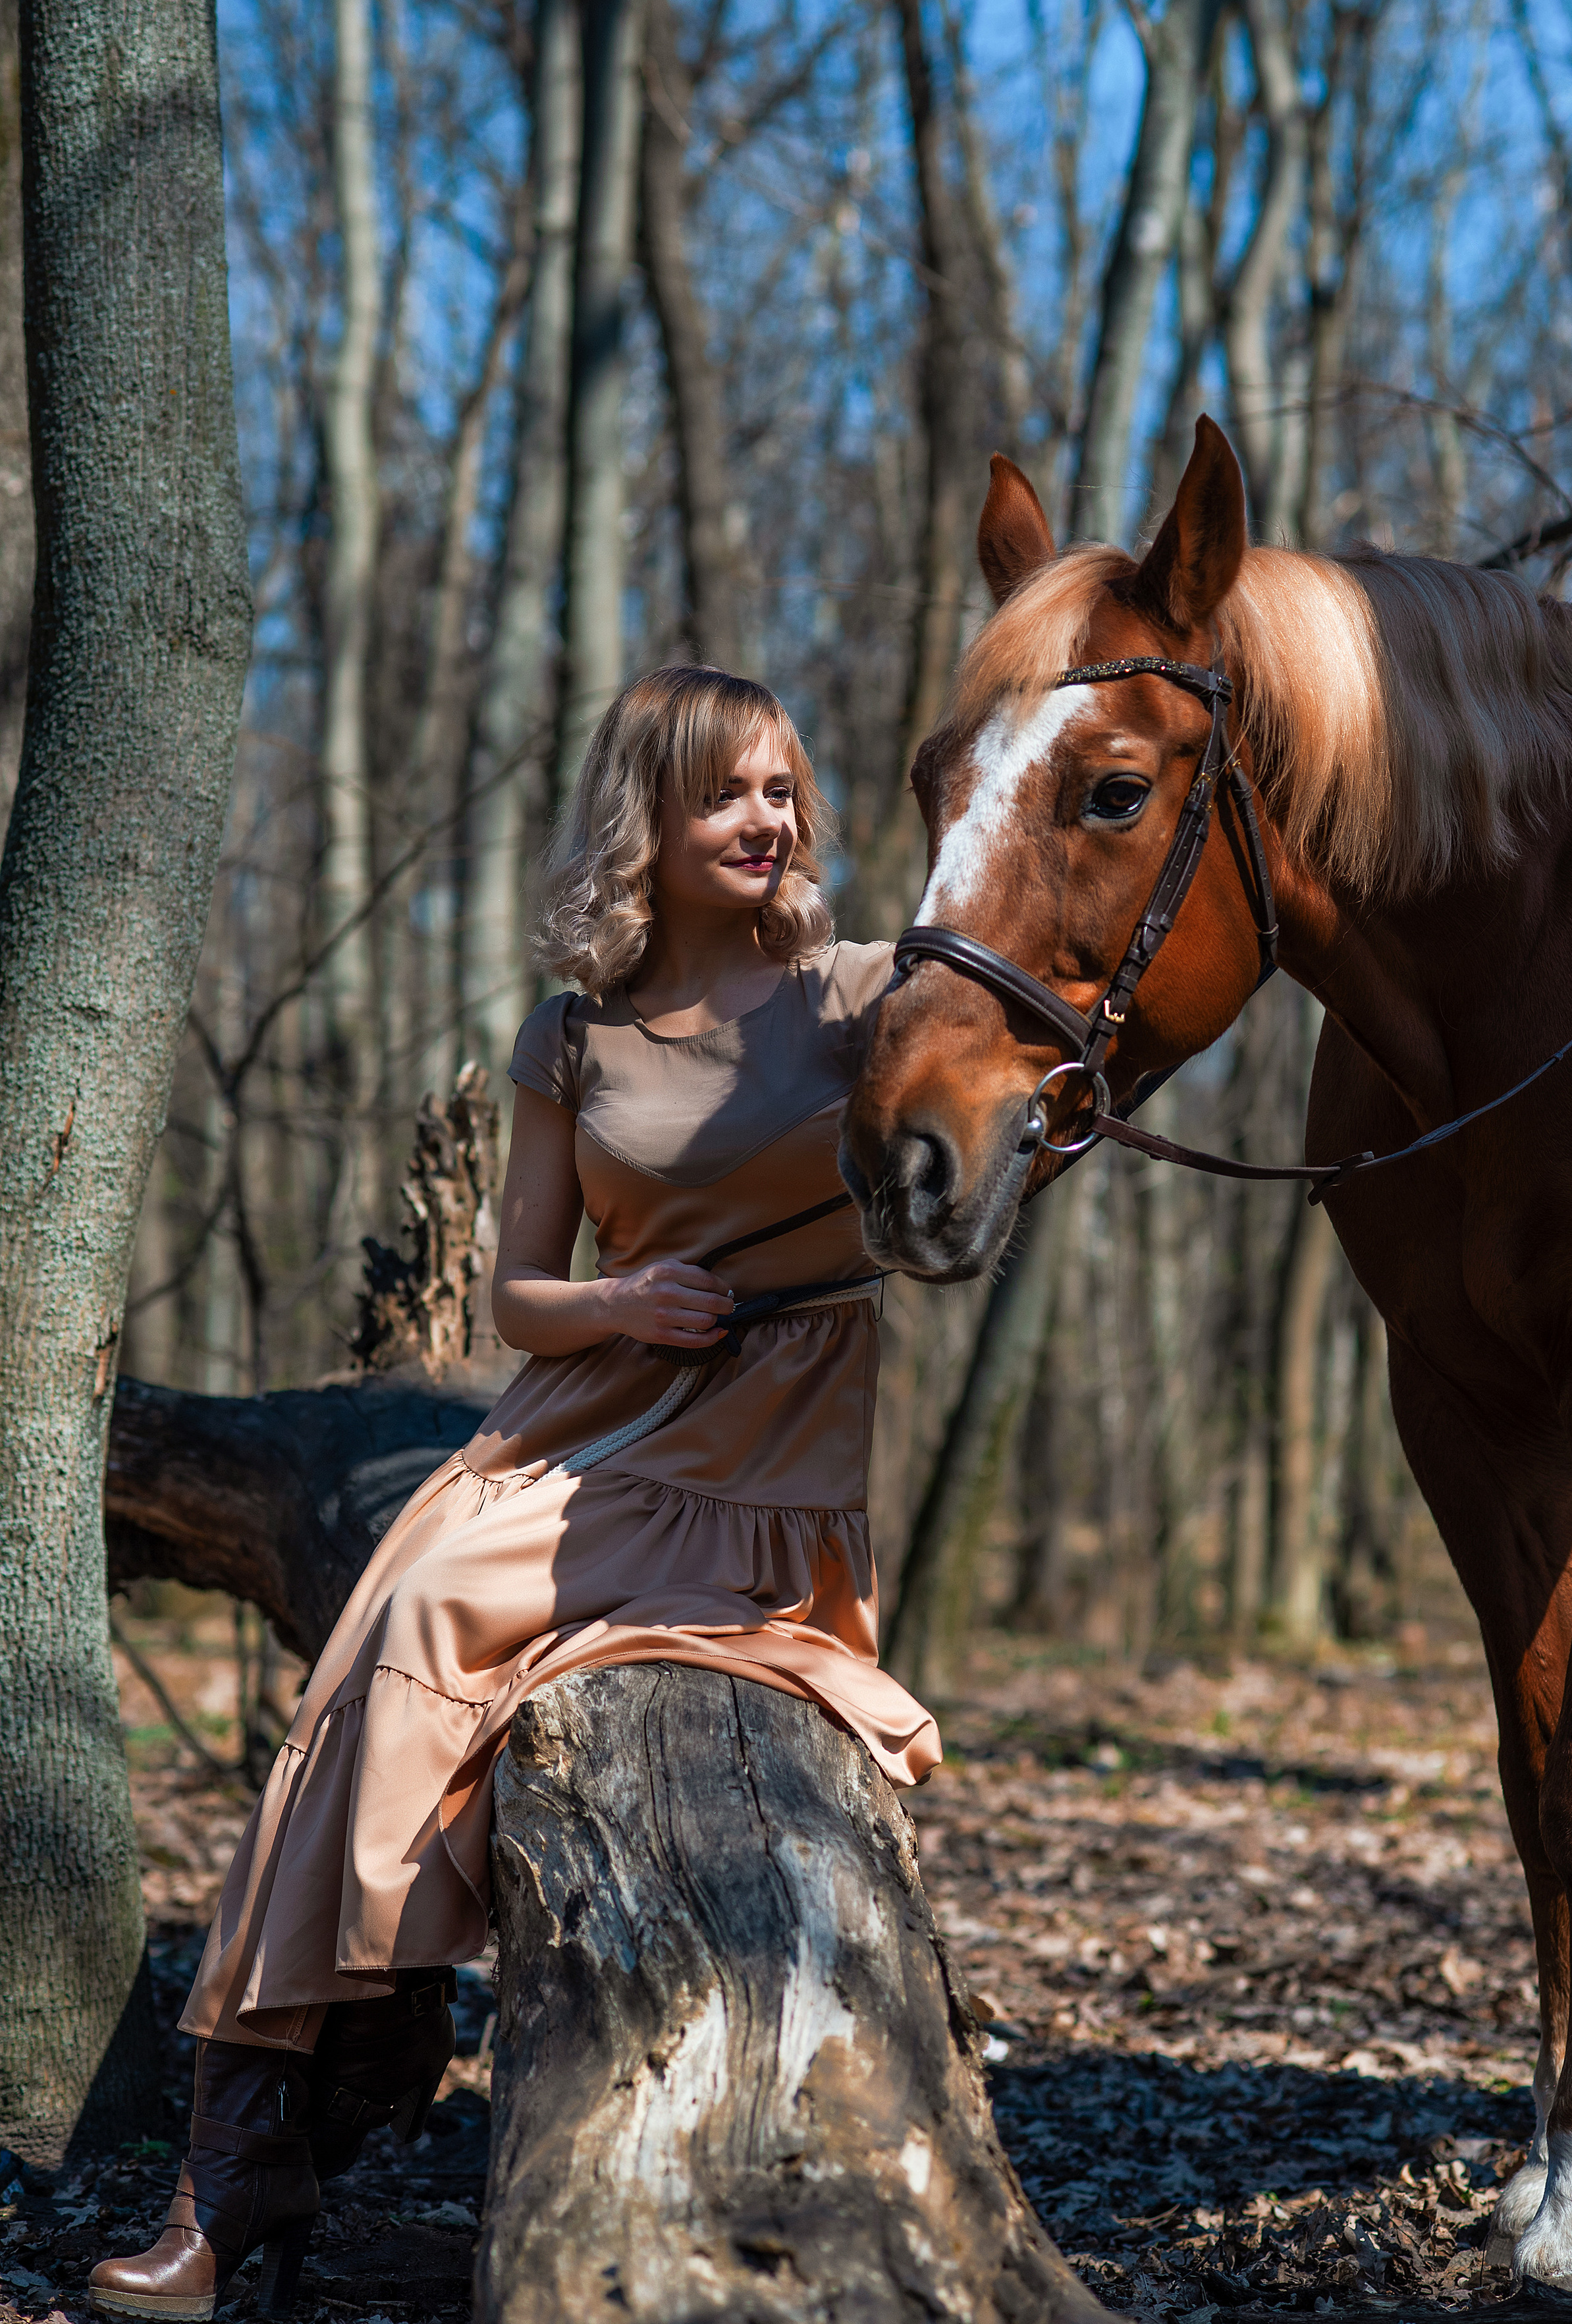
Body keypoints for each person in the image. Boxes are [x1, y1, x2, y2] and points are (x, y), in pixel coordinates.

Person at [88, 665, 940, 2323]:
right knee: (385, 1641)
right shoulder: (573, 1037)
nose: (766, 819)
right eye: (726, 793)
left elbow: (1002, 1113)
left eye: (781, 789)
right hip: (590, 1411)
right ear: (648, 820)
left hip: (766, 1442)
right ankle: (244, 2149)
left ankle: (318, 2083)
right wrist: (621, 1302)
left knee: (429, 1623)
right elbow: (519, 1299)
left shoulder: (861, 996)